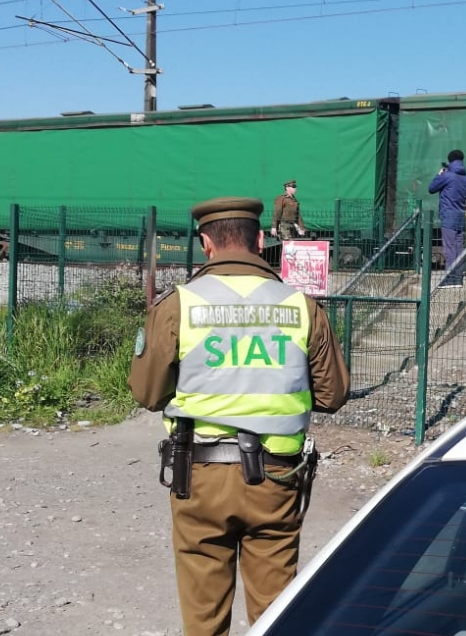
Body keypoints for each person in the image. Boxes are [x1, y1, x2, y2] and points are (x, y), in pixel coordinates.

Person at [128, 196, 350, 636]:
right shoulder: (301, 307)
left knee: (203, 613)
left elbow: (148, 393)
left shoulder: (178, 306)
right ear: (261, 239)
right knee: (276, 612)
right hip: (277, 478)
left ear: (206, 243)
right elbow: (333, 394)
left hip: (199, 476)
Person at [427, 149, 466, 288]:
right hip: (461, 217)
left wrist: (439, 175)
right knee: (459, 248)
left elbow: (431, 188)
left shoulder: (447, 176)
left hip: (449, 217)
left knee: (450, 249)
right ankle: (458, 278)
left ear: (450, 160)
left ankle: (450, 279)